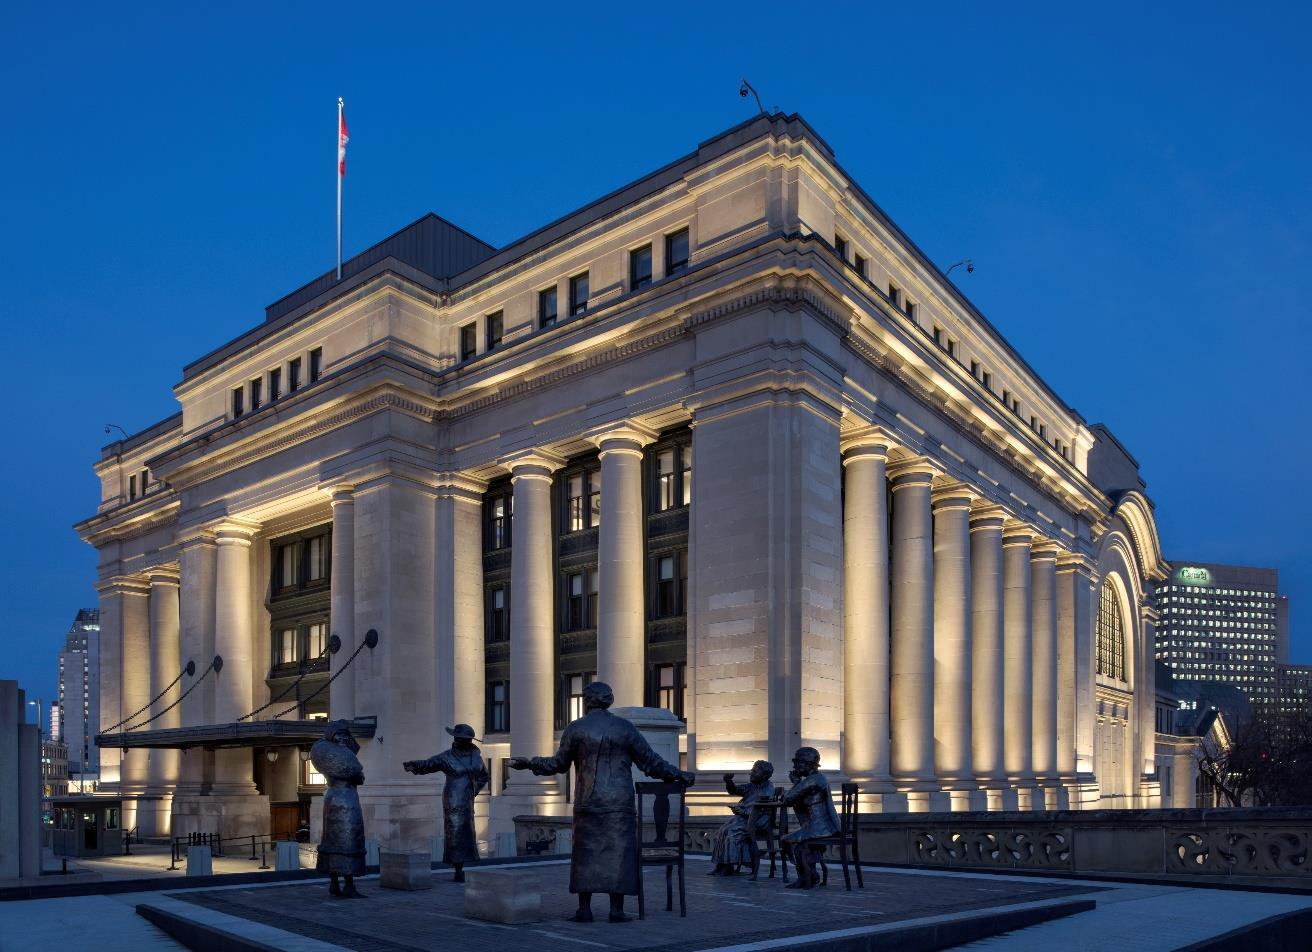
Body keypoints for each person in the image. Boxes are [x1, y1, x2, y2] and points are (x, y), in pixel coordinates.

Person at [509, 681, 695, 923]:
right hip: (620, 802)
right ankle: (616, 909)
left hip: (588, 801)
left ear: (587, 701)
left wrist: (529, 763)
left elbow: (557, 764)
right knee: (618, 854)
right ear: (609, 700)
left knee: (584, 854)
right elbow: (651, 762)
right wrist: (680, 774)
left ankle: (584, 909)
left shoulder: (576, 729)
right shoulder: (625, 728)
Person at [403, 723, 489, 883]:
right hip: (453, 800)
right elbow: (429, 764)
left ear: (468, 741)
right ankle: (457, 868)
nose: (457, 740)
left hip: (467, 800)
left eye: (461, 738)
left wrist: (473, 790)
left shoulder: (475, 756)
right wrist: (414, 765)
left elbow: (484, 775)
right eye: (456, 738)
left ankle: (462, 865)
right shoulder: (447, 756)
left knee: (467, 832)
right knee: (454, 833)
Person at [310, 719, 367, 898]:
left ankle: (334, 883)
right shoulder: (342, 756)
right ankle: (348, 885)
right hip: (347, 800)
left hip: (333, 798)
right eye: (339, 734)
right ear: (332, 737)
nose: (343, 738)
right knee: (349, 841)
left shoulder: (326, 756)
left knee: (333, 841)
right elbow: (359, 777)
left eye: (345, 734)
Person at [779, 746, 839, 889]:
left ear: (808, 764)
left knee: (786, 840)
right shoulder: (817, 778)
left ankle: (806, 876)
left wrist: (796, 782)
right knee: (799, 845)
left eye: (797, 762)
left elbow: (787, 800)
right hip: (820, 825)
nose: (794, 766)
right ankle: (810, 874)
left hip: (820, 827)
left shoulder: (812, 780)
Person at [708, 761, 776, 878]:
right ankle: (721, 865)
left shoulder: (768, 788)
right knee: (722, 830)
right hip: (744, 819)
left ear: (764, 775)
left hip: (757, 821)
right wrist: (729, 781)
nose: (751, 773)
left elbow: (762, 808)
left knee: (731, 832)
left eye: (755, 771)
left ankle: (727, 867)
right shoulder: (752, 786)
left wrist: (743, 812)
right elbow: (734, 790)